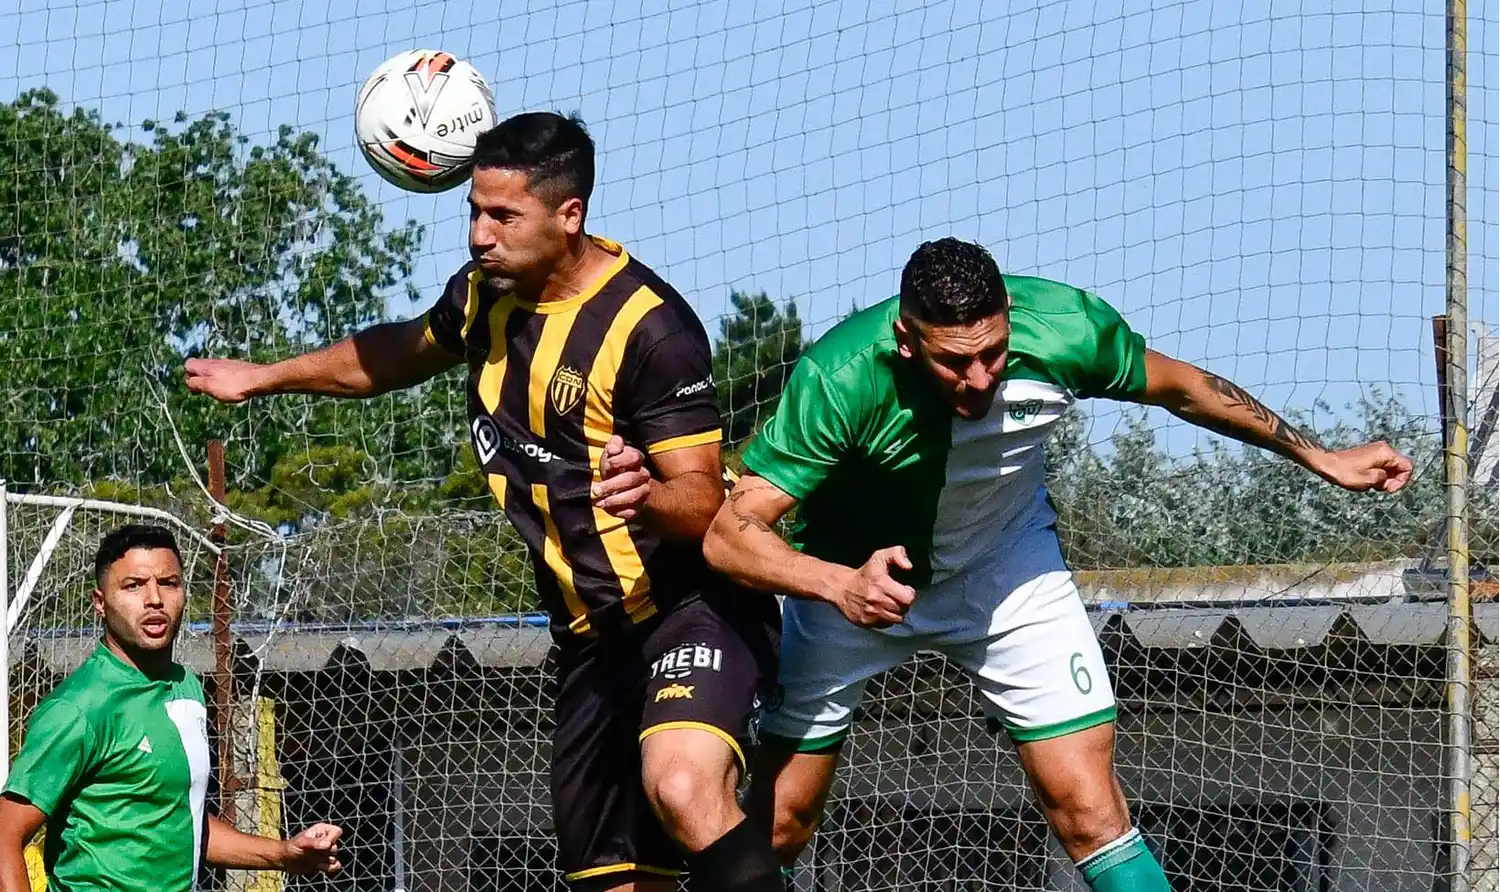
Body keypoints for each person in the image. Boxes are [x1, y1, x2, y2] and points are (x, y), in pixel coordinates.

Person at [184, 112, 783, 892]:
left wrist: (649, 497)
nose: (478, 234)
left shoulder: (650, 330)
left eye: (503, 215)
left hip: (687, 608)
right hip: (589, 640)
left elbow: (706, 504)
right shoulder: (481, 297)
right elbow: (396, 353)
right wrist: (264, 376)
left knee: (682, 785)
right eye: (474, 210)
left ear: (570, 216)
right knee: (618, 880)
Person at [702, 237, 1414, 891]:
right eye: (955, 361)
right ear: (905, 339)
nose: (979, 379)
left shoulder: (1066, 326)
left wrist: (1319, 455)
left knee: (1089, 812)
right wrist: (839, 585)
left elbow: (1185, 389)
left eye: (994, 352)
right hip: (854, 585)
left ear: (1011, 318)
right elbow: (729, 534)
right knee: (780, 829)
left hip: (1007, 575)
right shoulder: (841, 375)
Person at [0, 524, 342, 892]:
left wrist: (284, 854)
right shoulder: (79, 708)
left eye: (168, 583)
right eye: (133, 585)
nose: (154, 599)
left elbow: (183, 819)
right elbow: (5, 837)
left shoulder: (187, 687)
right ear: (99, 602)